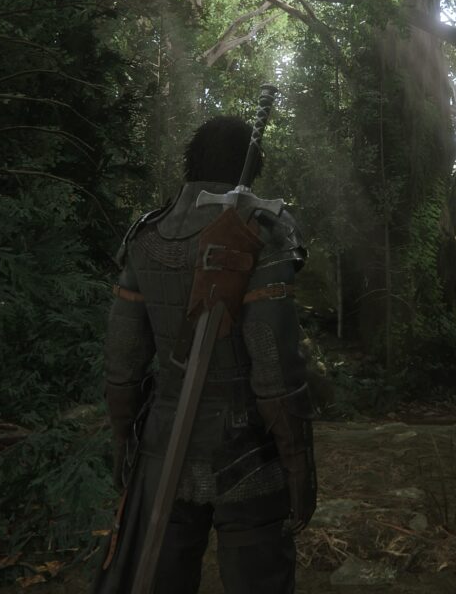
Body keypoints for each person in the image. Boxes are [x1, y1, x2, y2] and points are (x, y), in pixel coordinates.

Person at [105, 116, 314, 594]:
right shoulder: (265, 229)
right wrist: (298, 460)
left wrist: (123, 440)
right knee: (258, 579)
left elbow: (123, 359)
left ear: (192, 160)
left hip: (162, 441)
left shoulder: (145, 233)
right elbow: (273, 361)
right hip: (246, 446)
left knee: (165, 574)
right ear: (252, 164)